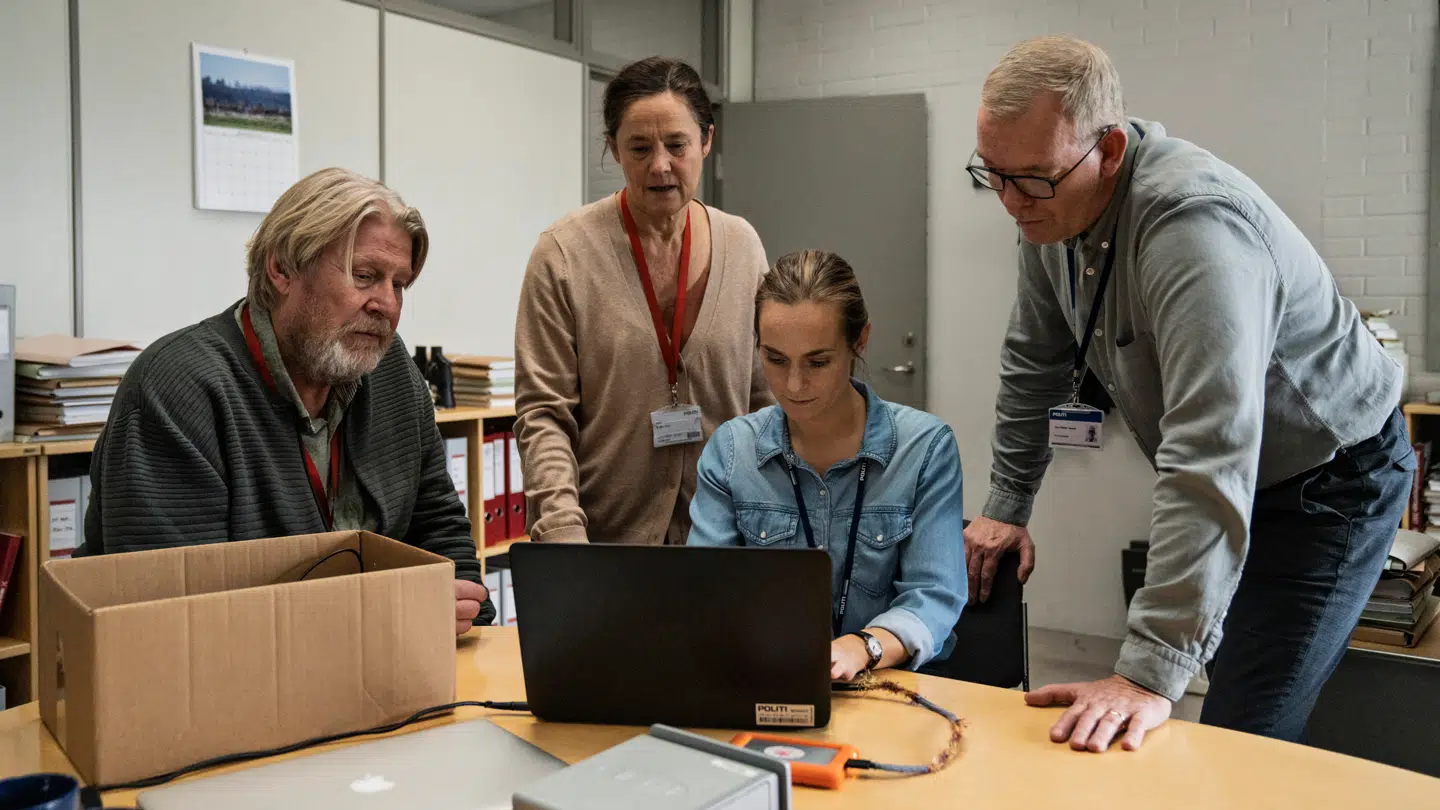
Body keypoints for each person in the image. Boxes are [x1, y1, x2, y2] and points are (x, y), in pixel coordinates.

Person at [965, 36, 1411, 751]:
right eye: (994, 174)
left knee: (1245, 728)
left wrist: (1145, 671)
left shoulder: (1194, 229)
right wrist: (1006, 507)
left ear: (1108, 151)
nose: (1011, 202)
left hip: (1332, 481)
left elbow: (1209, 450)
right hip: (1244, 470)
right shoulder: (1048, 210)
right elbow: (1034, 362)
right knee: (1215, 696)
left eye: (1034, 179)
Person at [80, 167, 492, 634]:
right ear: (282, 269)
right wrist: (390, 616)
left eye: (398, 284)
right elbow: (175, 614)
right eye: (365, 276)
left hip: (382, 667)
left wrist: (467, 617)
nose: (388, 305)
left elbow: (438, 527)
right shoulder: (180, 387)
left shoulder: (391, 370)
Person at [515, 57, 771, 546]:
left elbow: (766, 398)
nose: (660, 165)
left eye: (677, 145)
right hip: (605, 545)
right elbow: (544, 414)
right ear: (612, 149)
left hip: (729, 542)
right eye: (638, 147)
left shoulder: (743, 247)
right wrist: (563, 529)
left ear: (707, 141)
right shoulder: (564, 254)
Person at [688, 250, 966, 679]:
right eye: (775, 359)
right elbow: (706, 594)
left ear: (860, 341)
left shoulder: (925, 448)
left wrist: (864, 647)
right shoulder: (731, 450)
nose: (794, 385)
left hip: (888, 688)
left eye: (818, 362)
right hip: (768, 680)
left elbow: (933, 596)